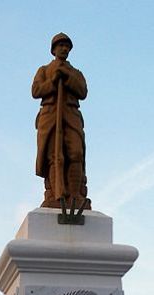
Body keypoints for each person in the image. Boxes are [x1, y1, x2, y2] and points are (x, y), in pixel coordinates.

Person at [32, 33, 90, 209]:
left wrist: (67, 77)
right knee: (53, 156)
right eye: (60, 46)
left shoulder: (76, 73)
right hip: (50, 113)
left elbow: (83, 92)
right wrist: (53, 81)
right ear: (54, 49)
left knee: (76, 153)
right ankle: (55, 195)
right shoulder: (43, 70)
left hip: (71, 113)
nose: (64, 49)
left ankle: (75, 195)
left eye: (67, 46)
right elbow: (36, 91)